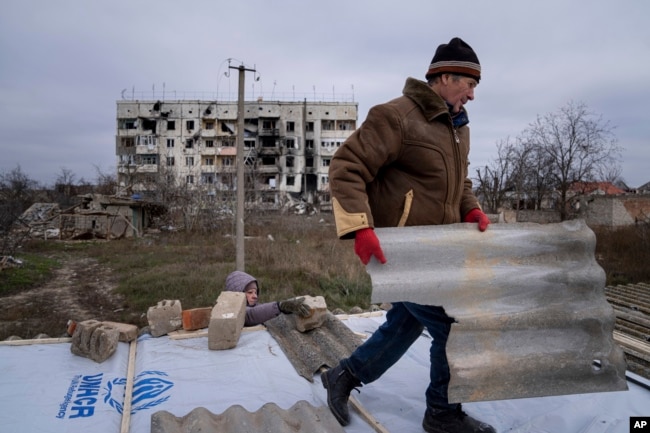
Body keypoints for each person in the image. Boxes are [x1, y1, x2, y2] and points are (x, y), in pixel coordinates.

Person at [322, 37, 495, 433]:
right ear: (444, 77)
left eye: (475, 87)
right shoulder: (396, 117)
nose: (472, 94)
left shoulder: (457, 128)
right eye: (469, 84)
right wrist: (360, 229)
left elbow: (457, 180)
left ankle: (344, 376)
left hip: (438, 251)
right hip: (396, 251)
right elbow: (346, 167)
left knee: (406, 321)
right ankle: (442, 414)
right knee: (453, 327)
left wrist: (470, 207)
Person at [224, 270, 311, 326]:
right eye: (250, 292)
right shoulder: (231, 311)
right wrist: (280, 306)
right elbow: (251, 315)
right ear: (237, 294)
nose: (255, 296)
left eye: (255, 292)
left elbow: (262, 309)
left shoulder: (254, 306)